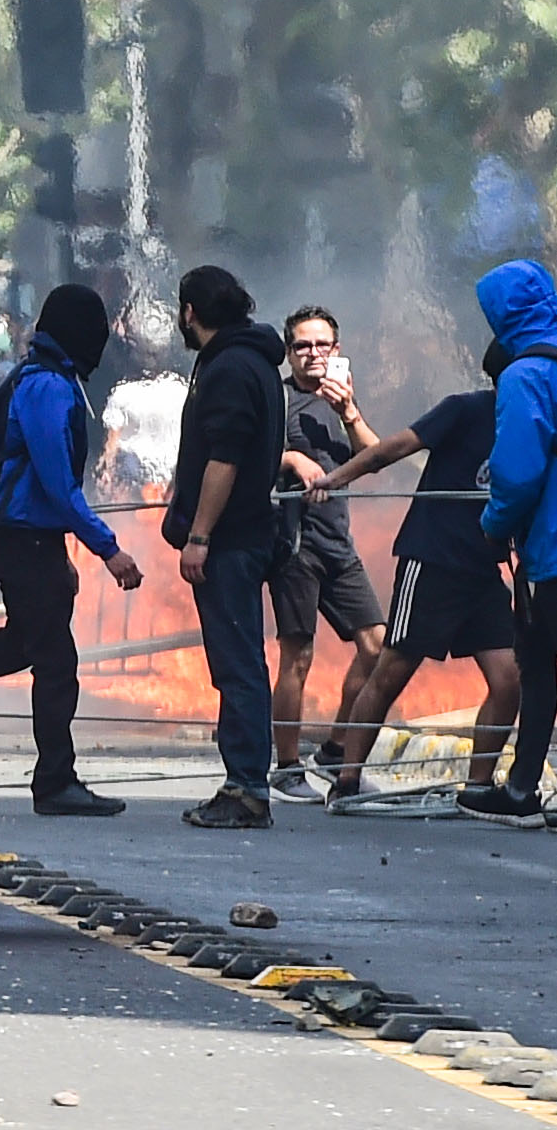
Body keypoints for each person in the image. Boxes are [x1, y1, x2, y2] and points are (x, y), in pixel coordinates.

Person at [0, 284, 144, 815]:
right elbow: (54, 482)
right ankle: (54, 782)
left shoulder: (53, 379)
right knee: (54, 660)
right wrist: (108, 550)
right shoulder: (47, 386)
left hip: (33, 539)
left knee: (26, 646)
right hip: (24, 539)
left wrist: (64, 552)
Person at [312, 350, 525, 818]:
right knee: (391, 672)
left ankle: (478, 787)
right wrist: (335, 477)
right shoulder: (464, 410)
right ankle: (346, 780)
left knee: (509, 677)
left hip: (483, 571)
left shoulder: (532, 426)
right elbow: (393, 449)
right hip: (432, 560)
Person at [164, 265, 289, 829]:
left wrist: (200, 535)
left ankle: (245, 788)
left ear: (191, 311)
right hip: (245, 534)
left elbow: (226, 457)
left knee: (237, 664)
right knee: (240, 662)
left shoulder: (232, 367)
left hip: (231, 541)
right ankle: (244, 782)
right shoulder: (247, 360)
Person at [266, 307, 388, 801]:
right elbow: (246, 452)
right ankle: (287, 766)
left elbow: (376, 456)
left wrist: (350, 413)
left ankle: (337, 749)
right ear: (289, 351)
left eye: (322, 345)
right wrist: (291, 458)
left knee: (378, 648)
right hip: (294, 542)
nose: (313, 354)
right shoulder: (278, 397)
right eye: (303, 346)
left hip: (339, 540)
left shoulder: (341, 398)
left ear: (336, 349)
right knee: (298, 656)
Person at [476, 259, 557, 823]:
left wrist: (494, 527)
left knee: (541, 668)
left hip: (550, 554)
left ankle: (521, 790)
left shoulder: (526, 375)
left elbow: (519, 473)